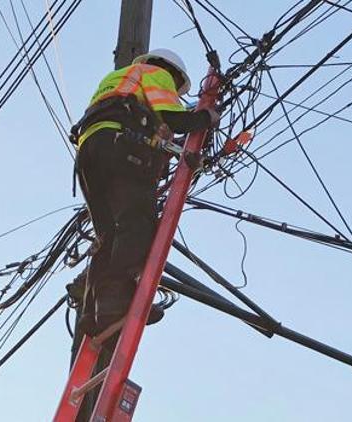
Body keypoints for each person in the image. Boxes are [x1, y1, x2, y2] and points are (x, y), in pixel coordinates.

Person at [71, 48, 219, 337]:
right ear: (173, 73)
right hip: (118, 148)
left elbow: (148, 121)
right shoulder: (157, 75)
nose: (175, 91)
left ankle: (91, 314)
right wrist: (205, 117)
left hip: (89, 154)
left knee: (107, 236)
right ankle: (118, 300)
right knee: (136, 221)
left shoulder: (117, 78)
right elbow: (174, 118)